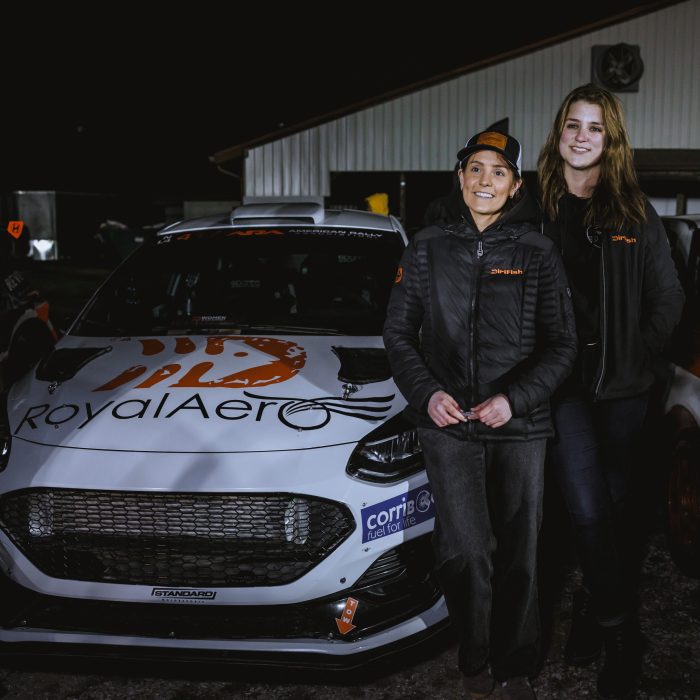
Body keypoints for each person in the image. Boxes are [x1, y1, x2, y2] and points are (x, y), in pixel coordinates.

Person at [383, 131, 577, 699]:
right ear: (460, 178)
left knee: (520, 552)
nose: (484, 180)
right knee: (466, 551)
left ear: (515, 186)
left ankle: (515, 664)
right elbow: (398, 333)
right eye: (474, 168)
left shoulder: (538, 252)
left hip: (520, 427)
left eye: (498, 171)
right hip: (448, 425)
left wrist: (514, 399)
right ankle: (475, 655)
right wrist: (427, 395)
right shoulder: (426, 247)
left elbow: (563, 344)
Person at [537, 83, 685, 700]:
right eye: (573, 124)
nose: (582, 136)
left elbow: (668, 297)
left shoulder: (633, 212)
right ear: (559, 133)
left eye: (595, 127)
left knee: (617, 511)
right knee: (587, 507)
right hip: (562, 385)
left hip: (623, 388)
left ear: (610, 139)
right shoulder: (533, 206)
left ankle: (588, 603)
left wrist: (637, 353)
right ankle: (622, 634)